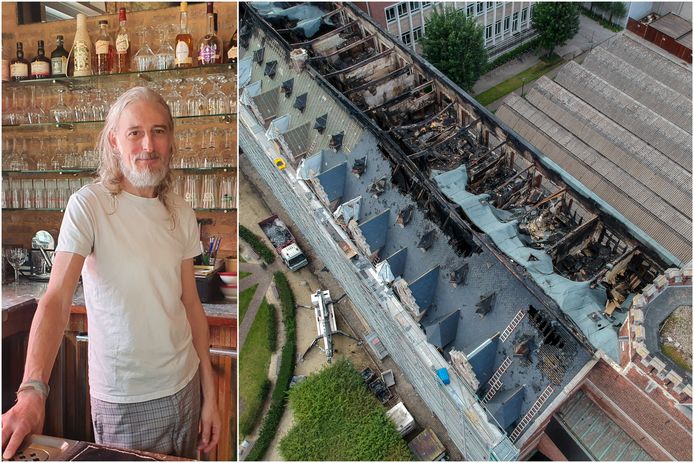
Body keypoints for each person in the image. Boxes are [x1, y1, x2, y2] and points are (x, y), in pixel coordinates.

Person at [1, 87, 221, 459]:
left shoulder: (181, 211)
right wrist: (32, 390)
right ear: (114, 141)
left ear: (171, 141)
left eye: (159, 131)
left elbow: (190, 305)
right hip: (126, 401)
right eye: (135, 132)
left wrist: (210, 396)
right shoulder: (89, 205)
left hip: (185, 387)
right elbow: (55, 298)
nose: (148, 145)